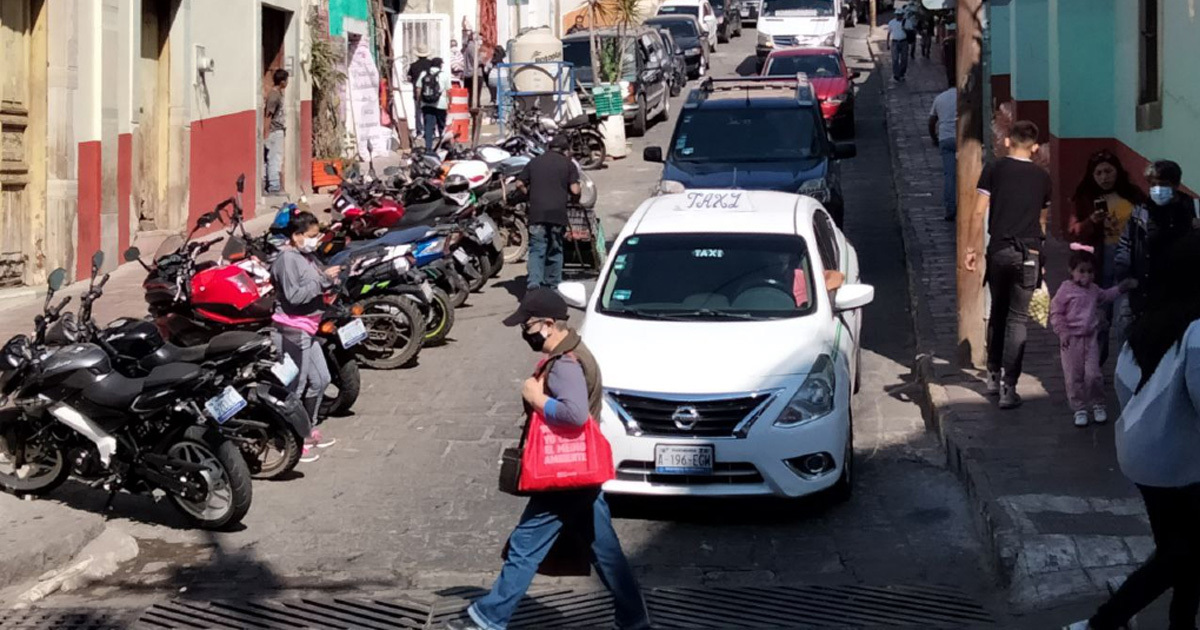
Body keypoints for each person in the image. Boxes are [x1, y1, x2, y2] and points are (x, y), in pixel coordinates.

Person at [448, 289, 651, 630]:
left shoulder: (564, 364)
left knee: (525, 545)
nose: (523, 333)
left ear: (547, 324)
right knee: (606, 552)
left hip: (565, 473)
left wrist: (535, 397)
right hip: (582, 472)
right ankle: (634, 618)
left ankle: (488, 618)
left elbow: (573, 415)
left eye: (526, 326)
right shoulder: (573, 352)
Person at [1064, 231, 1200, 630]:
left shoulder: (1149, 323)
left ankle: (1179, 622)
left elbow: (1124, 383)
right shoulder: (1196, 331)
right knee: (1180, 554)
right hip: (1180, 462)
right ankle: (1103, 623)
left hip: (1141, 451)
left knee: (1181, 548)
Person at [963, 120, 1053, 409]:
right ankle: (1009, 388)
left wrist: (971, 248)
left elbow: (978, 214)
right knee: (1017, 319)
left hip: (1000, 250)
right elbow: (1042, 222)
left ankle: (992, 375)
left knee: (998, 313)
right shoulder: (1043, 177)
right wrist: (1042, 258)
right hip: (1029, 254)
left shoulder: (993, 170)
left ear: (1006, 142)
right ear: (1035, 147)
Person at [270, 211, 340, 462]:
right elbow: (294, 296)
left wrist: (329, 280)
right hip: (291, 329)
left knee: (321, 379)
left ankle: (306, 431)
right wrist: (322, 281)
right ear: (296, 236)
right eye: (311, 236)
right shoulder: (287, 259)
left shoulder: (306, 256)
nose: (316, 240)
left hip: (309, 328)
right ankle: (289, 442)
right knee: (294, 387)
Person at [1067, 151, 1146, 363]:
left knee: (1125, 318)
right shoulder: (1084, 198)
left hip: (1128, 262)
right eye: (1099, 172)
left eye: (1108, 171)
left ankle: (1125, 367)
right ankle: (1093, 369)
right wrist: (1092, 220)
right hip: (1097, 264)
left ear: (1117, 172)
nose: (1104, 177)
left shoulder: (1133, 195)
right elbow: (1073, 231)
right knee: (1098, 320)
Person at [1113, 160, 1197, 351]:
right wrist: (1125, 275)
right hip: (1144, 291)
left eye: (1163, 184)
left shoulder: (1192, 211)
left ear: (1175, 185)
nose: (1157, 189)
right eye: (1152, 184)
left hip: (1180, 295)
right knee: (1130, 339)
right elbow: (1125, 245)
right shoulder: (1140, 212)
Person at [1049, 245, 1136, 427]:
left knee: (1094, 374)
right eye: (1081, 271)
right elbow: (1056, 312)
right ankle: (1079, 407)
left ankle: (1098, 403)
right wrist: (1062, 331)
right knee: (1074, 376)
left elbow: (1106, 295)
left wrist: (1121, 288)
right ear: (1071, 271)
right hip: (1071, 340)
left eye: (1090, 271)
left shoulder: (1094, 290)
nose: (1086, 276)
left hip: (1090, 338)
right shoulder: (1066, 290)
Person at [516, 135, 579, 291]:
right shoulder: (568, 164)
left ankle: (534, 283)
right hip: (557, 214)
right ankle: (553, 285)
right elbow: (575, 189)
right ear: (565, 150)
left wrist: (528, 194)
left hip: (537, 213)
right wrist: (576, 198)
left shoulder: (534, 162)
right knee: (555, 249)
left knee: (537, 249)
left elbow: (519, 184)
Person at [929, 82, 957, 221]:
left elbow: (931, 121)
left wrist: (934, 138)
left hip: (945, 138)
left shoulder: (940, 98)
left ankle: (950, 208)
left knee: (949, 175)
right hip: (963, 139)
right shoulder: (965, 97)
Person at [416, 57, 452, 154]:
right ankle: (443, 146)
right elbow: (449, 91)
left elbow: (418, 89)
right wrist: (450, 103)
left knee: (428, 126)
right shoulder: (444, 75)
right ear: (440, 65)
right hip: (440, 104)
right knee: (441, 126)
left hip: (426, 104)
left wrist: (419, 101)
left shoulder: (424, 74)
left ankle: (428, 148)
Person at [263, 69, 289, 194]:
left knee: (274, 157)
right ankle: (273, 185)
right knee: (274, 158)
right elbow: (268, 115)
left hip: (277, 130)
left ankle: (273, 184)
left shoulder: (278, 94)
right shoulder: (274, 96)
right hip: (274, 131)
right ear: (282, 82)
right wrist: (266, 132)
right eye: (286, 80)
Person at [406, 46, 434, 139]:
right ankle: (430, 131)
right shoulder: (431, 64)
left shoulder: (413, 65)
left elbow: (409, 78)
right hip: (429, 92)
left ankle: (419, 131)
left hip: (417, 92)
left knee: (418, 112)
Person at [887, 13, 909, 82]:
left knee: (904, 59)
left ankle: (902, 74)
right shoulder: (891, 22)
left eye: (900, 15)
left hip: (904, 42)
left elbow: (911, 31)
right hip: (895, 42)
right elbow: (889, 33)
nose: (898, 16)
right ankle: (896, 75)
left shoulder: (906, 22)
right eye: (897, 14)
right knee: (895, 59)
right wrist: (887, 43)